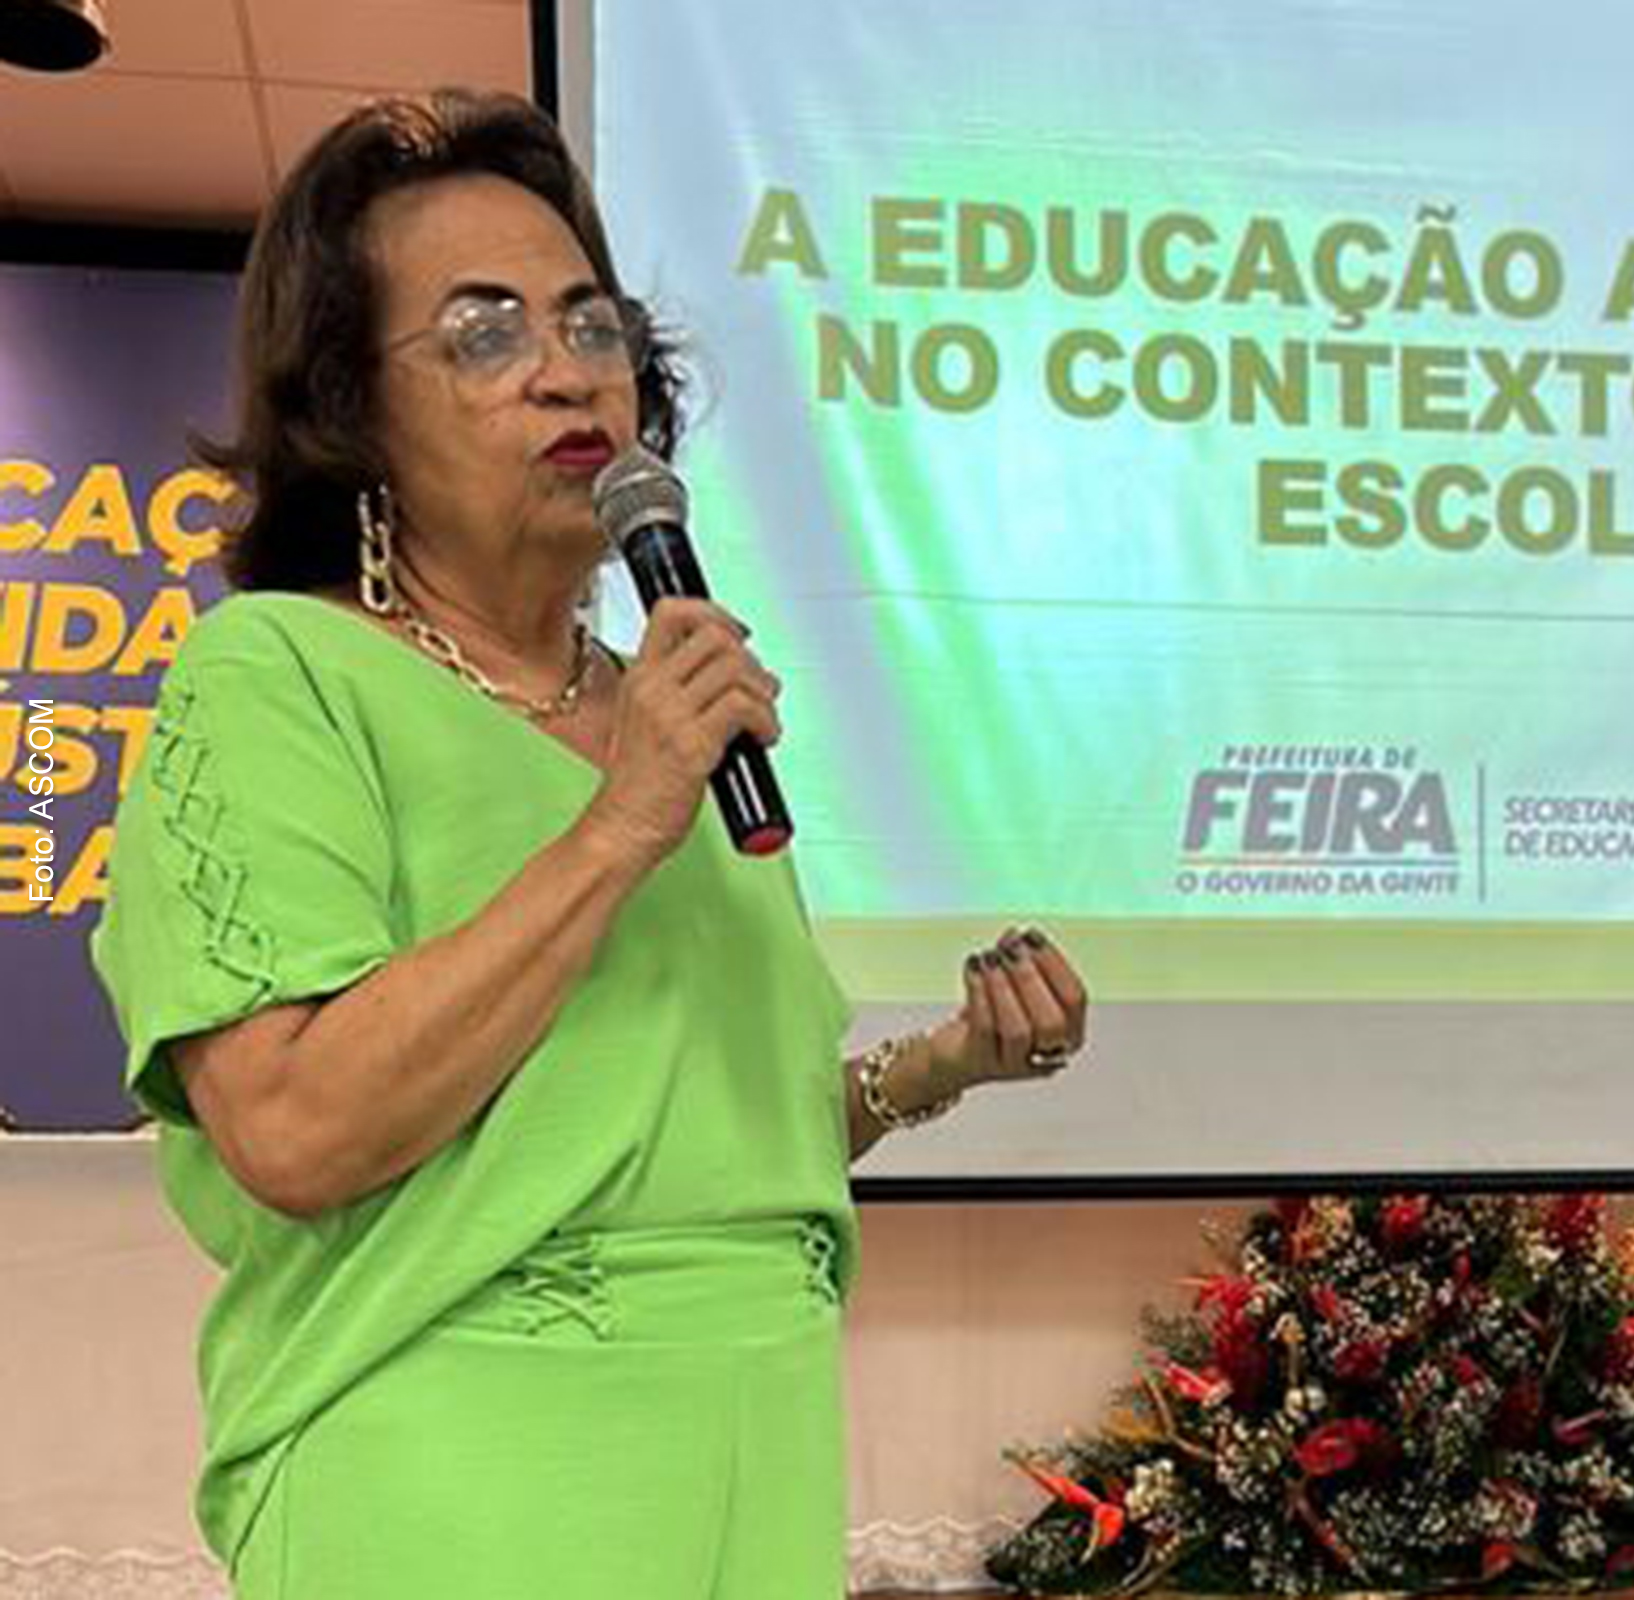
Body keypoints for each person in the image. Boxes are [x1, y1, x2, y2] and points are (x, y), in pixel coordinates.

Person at [87, 88, 1089, 1600]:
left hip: (756, 1433)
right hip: (467, 1464)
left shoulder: (669, 717)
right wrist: (622, 821)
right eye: (485, 334)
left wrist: (938, 1067)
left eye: (592, 324)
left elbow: (682, 1123)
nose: (568, 374)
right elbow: (292, 1130)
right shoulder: (280, 676)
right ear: (353, 404)